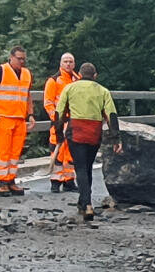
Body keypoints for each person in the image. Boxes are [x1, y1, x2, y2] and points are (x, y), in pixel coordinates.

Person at [51, 62, 121, 222]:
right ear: (95, 76)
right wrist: (116, 138)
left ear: (80, 75)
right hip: (94, 133)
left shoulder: (69, 88)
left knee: (80, 168)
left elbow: (59, 112)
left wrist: (58, 134)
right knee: (87, 167)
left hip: (76, 131)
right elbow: (111, 115)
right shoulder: (103, 91)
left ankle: (87, 204)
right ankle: (82, 202)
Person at [0, 46, 32, 196]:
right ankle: (2, 181)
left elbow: (28, 94)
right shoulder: (2, 70)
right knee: (4, 151)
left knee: (15, 152)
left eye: (23, 58)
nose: (21, 61)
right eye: (19, 58)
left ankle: (11, 180)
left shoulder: (26, 73)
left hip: (19, 118)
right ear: (11, 57)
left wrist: (30, 114)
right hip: (4, 117)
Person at [41, 53, 79, 193]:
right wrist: (56, 119)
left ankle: (69, 180)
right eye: (65, 61)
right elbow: (48, 103)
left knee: (70, 152)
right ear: (61, 63)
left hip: (73, 121)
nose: (68, 64)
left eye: (70, 61)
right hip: (58, 121)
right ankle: (55, 181)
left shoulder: (77, 80)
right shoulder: (53, 80)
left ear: (74, 64)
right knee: (57, 152)